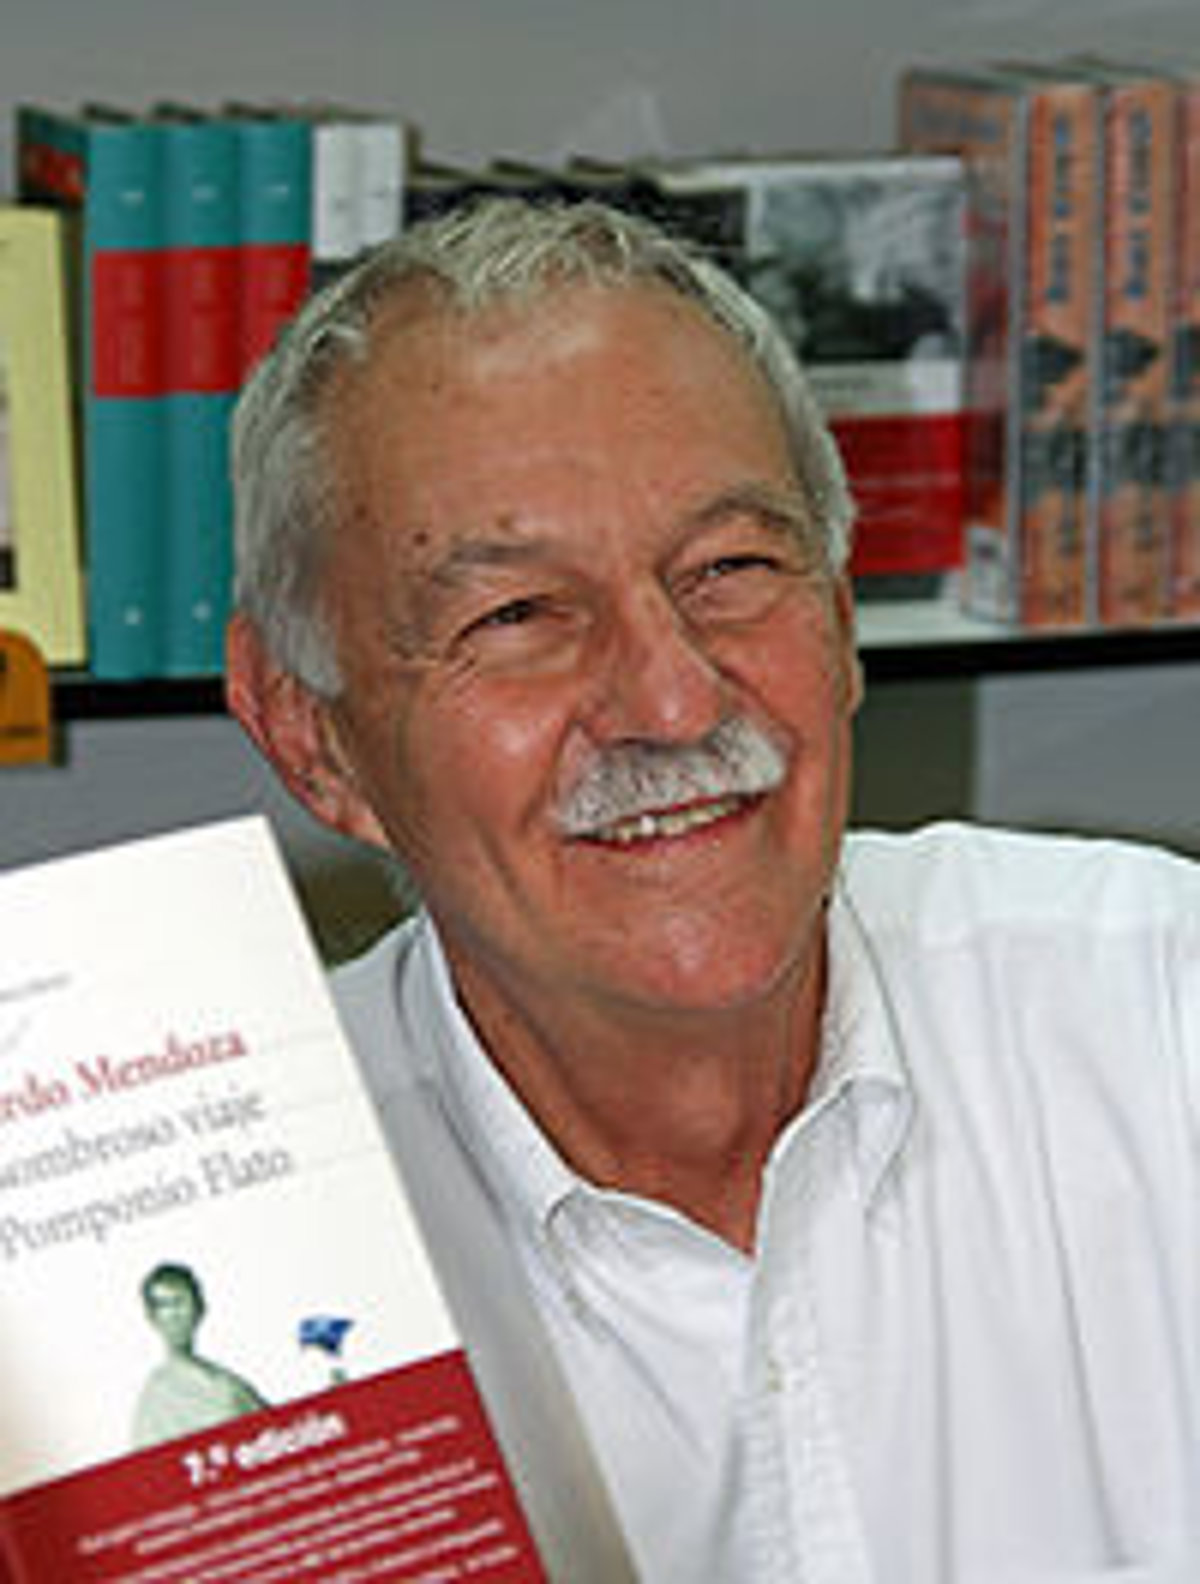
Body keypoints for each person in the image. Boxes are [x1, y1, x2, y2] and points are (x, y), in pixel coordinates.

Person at [226, 196, 1200, 1583]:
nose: (674, 701)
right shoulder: (216, 1222)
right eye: (517, 616)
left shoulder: (1161, 1019)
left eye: (731, 568)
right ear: (310, 734)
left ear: (843, 617)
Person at [132, 1262, 267, 1448]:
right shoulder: (156, 1394)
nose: (174, 1314)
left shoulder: (230, 1386)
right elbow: (147, 1458)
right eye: (163, 1305)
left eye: (180, 1302)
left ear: (199, 1308)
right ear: (152, 1317)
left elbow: (275, 1431)